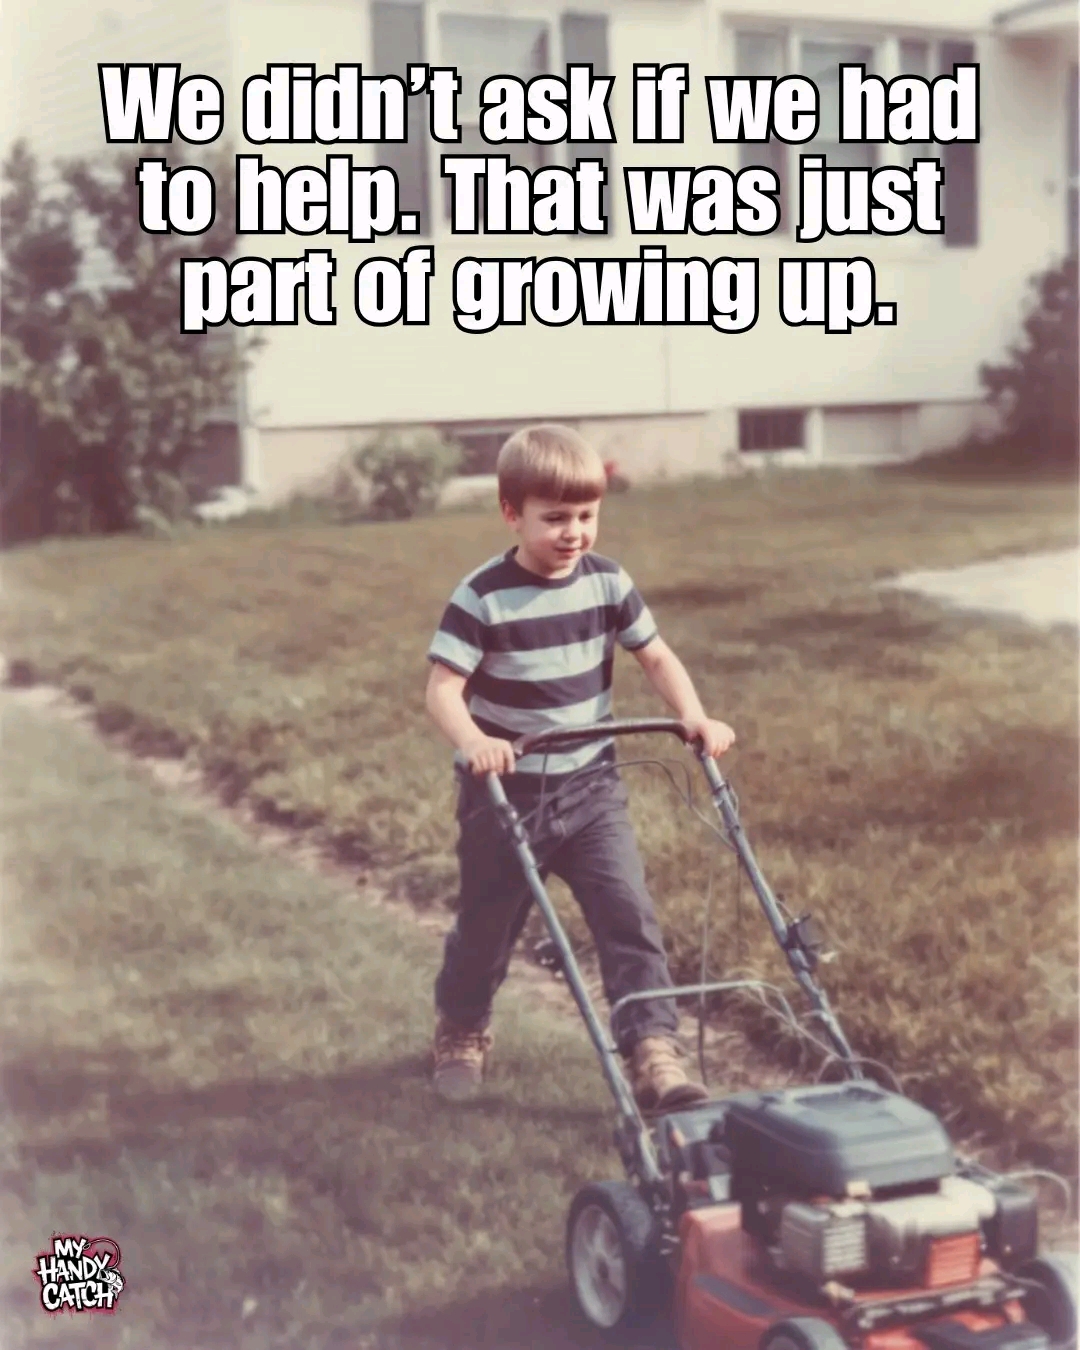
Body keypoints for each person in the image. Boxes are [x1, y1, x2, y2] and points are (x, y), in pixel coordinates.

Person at [425, 424, 736, 1110]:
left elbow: (655, 655)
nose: (574, 533)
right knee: (487, 927)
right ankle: (462, 1028)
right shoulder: (483, 596)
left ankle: (653, 1050)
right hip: (506, 793)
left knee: (628, 914)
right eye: (556, 518)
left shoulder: (608, 582)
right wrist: (476, 740)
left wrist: (694, 715)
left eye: (587, 516)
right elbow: (442, 689)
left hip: (592, 788)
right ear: (512, 513)